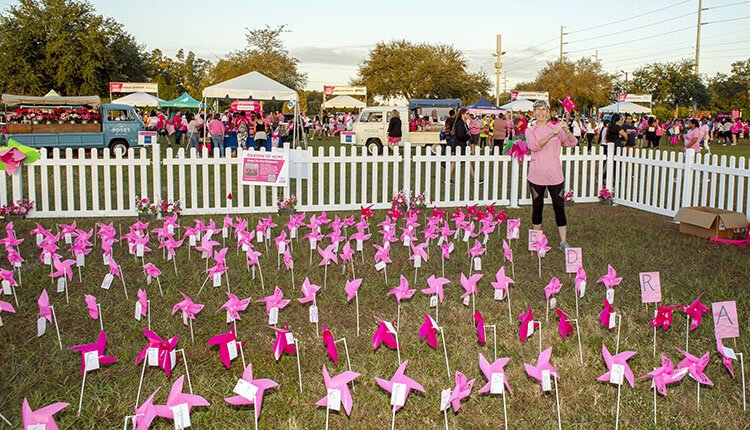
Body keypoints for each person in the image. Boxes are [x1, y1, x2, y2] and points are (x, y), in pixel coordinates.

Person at [525, 99, 578, 250]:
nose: (541, 112)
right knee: (537, 206)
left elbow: (572, 142)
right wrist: (550, 135)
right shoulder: (531, 130)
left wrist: (566, 130)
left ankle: (563, 241)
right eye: (538, 110)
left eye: (544, 110)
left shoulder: (557, 128)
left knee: (559, 207)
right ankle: (537, 241)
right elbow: (533, 146)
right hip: (536, 175)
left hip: (555, 176)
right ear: (534, 113)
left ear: (548, 112)